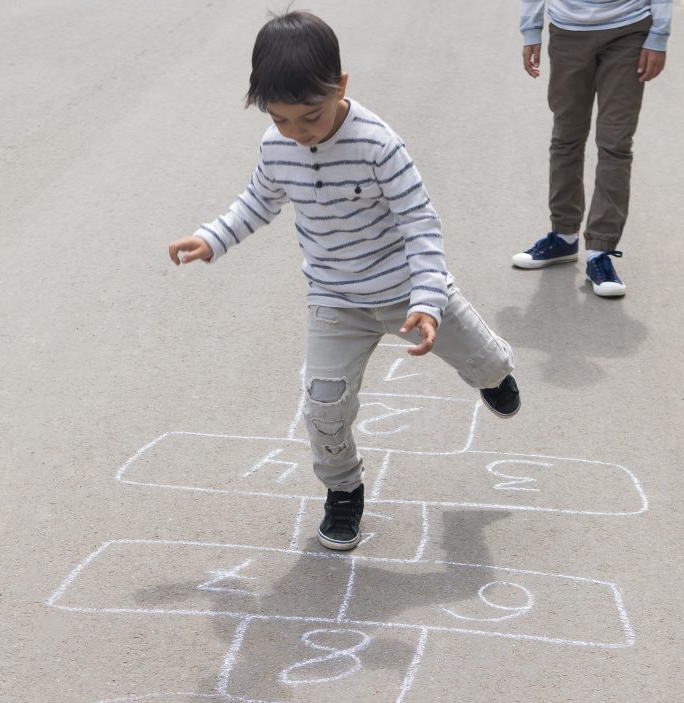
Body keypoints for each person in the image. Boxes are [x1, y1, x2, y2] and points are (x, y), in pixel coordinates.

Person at [169, 11, 519, 552]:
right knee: (323, 406)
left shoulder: (379, 145)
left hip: (408, 291)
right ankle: (343, 491)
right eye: (281, 118)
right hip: (334, 298)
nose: (298, 131)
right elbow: (259, 200)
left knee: (487, 363)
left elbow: (420, 224)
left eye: (310, 115)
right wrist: (213, 238)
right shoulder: (277, 145)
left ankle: (494, 373)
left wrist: (427, 301)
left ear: (341, 87)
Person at [512, 0, 672, 297]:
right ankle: (563, 235)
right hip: (567, 30)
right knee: (566, 137)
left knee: (615, 144)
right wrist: (531, 29)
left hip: (629, 29)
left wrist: (659, 35)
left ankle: (600, 252)